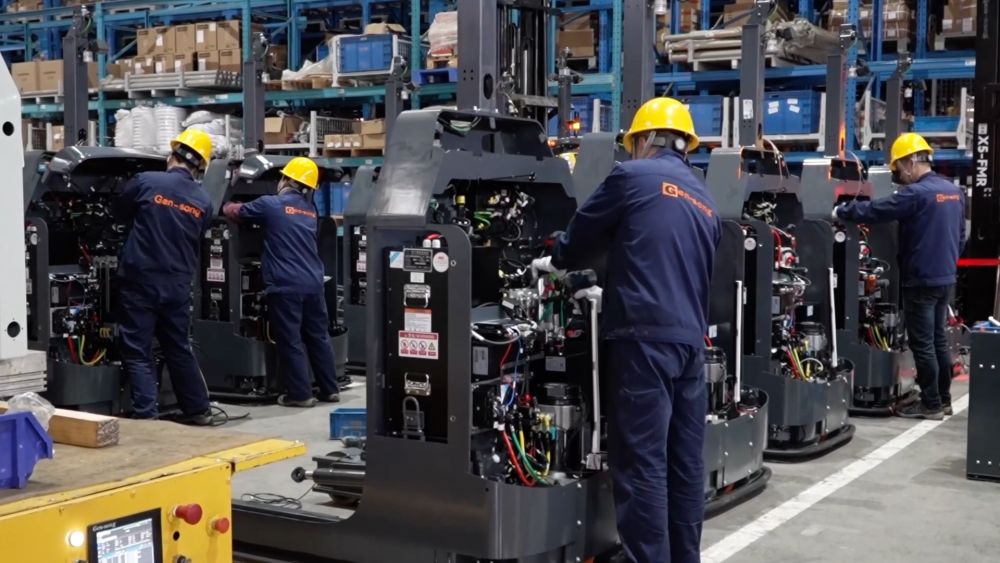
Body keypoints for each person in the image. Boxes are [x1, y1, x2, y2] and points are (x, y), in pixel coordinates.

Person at [533, 98, 721, 563]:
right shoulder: (705, 199)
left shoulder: (631, 176)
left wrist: (555, 261)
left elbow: (581, 235)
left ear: (644, 139)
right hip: (689, 345)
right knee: (684, 463)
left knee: (642, 464)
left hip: (643, 340)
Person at [834, 132, 965, 420]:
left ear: (909, 162)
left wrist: (842, 210)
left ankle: (930, 404)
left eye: (898, 169)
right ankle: (943, 400)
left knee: (923, 344)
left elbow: (878, 210)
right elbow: (960, 237)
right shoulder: (953, 192)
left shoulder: (916, 194)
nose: (900, 176)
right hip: (945, 277)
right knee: (939, 340)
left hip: (920, 278)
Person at [113, 129, 215, 425]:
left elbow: (119, 212)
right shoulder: (203, 201)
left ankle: (147, 416)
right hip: (178, 286)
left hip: (140, 282)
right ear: (201, 167)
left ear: (172, 156)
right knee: (178, 346)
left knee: (137, 349)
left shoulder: (146, 181)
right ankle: (198, 410)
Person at [222, 157, 340, 408]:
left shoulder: (271, 204)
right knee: (318, 337)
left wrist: (226, 201)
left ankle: (300, 395)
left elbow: (236, 212)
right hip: (313, 282)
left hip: (286, 284)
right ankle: (329, 389)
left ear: (286, 180)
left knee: (290, 339)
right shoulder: (310, 210)